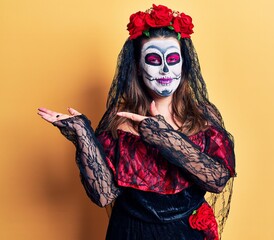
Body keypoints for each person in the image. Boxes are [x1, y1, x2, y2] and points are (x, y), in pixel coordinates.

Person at [37, 4, 236, 240]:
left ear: (184, 65)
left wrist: (164, 137)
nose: (165, 69)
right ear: (139, 69)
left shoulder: (202, 115)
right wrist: (82, 135)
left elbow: (217, 180)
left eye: (172, 59)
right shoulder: (119, 119)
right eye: (153, 59)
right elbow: (104, 196)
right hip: (131, 232)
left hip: (185, 233)